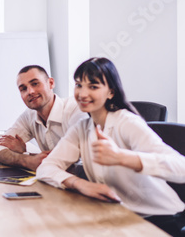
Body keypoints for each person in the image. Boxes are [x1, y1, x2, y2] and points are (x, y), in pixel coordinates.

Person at [37, 57, 185, 236]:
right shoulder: (82, 128)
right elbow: (46, 167)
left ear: (111, 92)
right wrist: (80, 184)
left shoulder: (127, 122)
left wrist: (123, 157)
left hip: (159, 219)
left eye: (93, 86)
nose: (82, 94)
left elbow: (181, 167)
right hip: (120, 216)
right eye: (78, 85)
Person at [0, 65, 88, 171]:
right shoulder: (28, 116)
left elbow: (70, 160)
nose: (30, 91)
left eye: (35, 84)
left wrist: (25, 155)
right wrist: (26, 160)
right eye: (23, 89)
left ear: (50, 83)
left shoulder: (76, 109)